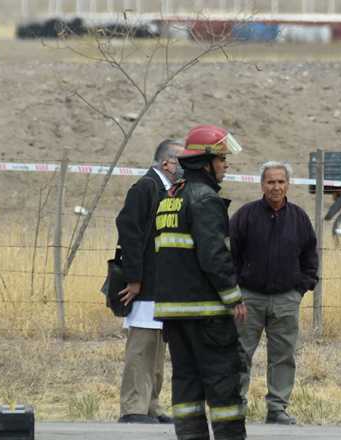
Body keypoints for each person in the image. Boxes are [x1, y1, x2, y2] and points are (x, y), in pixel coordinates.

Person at [153, 124, 248, 440]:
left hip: (175, 315)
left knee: (187, 389)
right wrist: (234, 297)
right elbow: (213, 255)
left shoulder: (171, 197)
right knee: (224, 388)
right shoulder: (204, 198)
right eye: (221, 159)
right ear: (205, 162)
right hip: (207, 314)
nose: (225, 165)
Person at [229, 161, 319, 425]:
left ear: (288, 184)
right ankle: (235, 408)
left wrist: (301, 289)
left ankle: (277, 409)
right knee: (239, 354)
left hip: (286, 300)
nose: (276, 187)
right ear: (262, 185)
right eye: (271, 182)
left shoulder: (299, 218)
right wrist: (235, 294)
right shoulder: (245, 215)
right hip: (248, 300)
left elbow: (310, 256)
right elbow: (229, 257)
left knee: (283, 356)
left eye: (281, 181)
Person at [114, 139, 184, 424]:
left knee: (156, 350)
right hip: (143, 287)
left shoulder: (168, 190)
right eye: (182, 161)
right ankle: (133, 408)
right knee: (141, 348)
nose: (186, 167)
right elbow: (128, 231)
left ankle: (150, 405)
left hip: (161, 285)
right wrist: (134, 278)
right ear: (167, 163)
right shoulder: (145, 188)